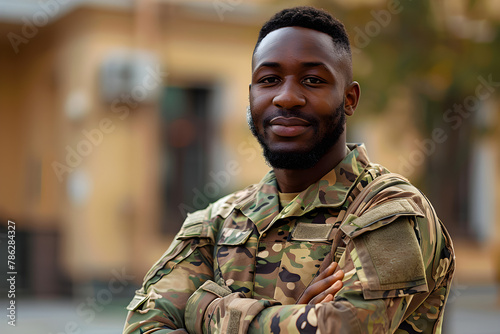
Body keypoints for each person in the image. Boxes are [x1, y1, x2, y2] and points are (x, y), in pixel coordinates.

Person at [123, 6, 455, 334]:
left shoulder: (388, 212)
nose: (287, 97)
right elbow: (143, 327)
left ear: (350, 98)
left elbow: (345, 328)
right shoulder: (216, 223)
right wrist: (298, 318)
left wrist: (210, 312)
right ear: (251, 95)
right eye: (269, 80)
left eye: (313, 80)